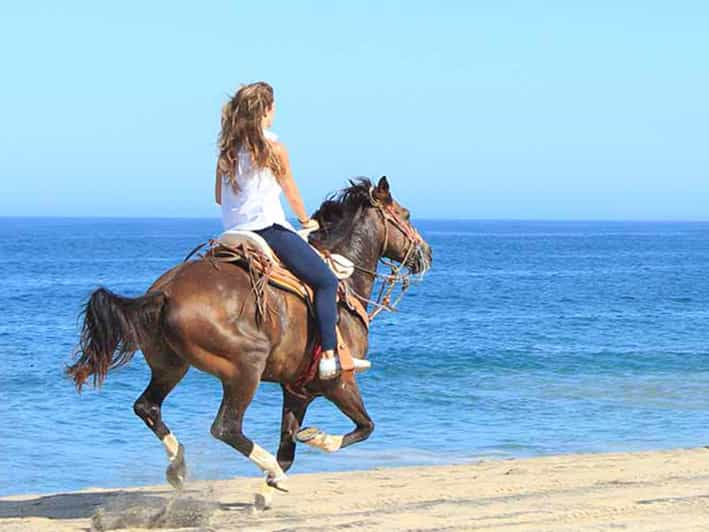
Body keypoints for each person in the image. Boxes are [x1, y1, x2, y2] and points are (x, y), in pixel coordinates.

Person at [214, 81, 370, 379]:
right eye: (273, 109)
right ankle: (328, 356)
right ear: (266, 112)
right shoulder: (273, 148)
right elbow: (291, 192)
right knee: (325, 281)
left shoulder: (227, 152)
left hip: (231, 234)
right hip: (267, 230)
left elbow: (219, 198)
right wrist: (305, 221)